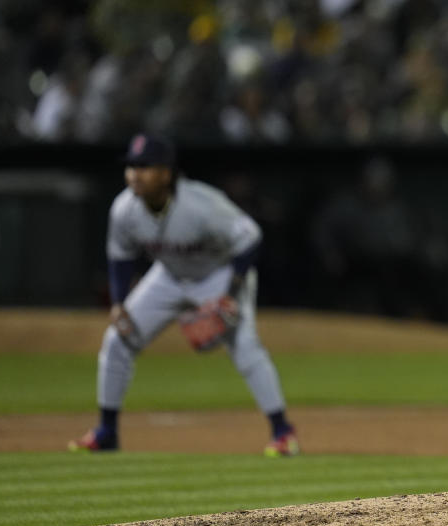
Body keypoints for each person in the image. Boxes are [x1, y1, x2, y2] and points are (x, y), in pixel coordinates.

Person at [69, 134, 299, 456]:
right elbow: (119, 258)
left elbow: (250, 238)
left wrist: (231, 291)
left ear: (166, 173)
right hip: (168, 276)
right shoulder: (123, 209)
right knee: (117, 339)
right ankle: (107, 432)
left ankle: (283, 432)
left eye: (144, 166)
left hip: (219, 274)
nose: (135, 173)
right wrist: (119, 303)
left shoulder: (201, 204)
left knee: (246, 347)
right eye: (131, 166)